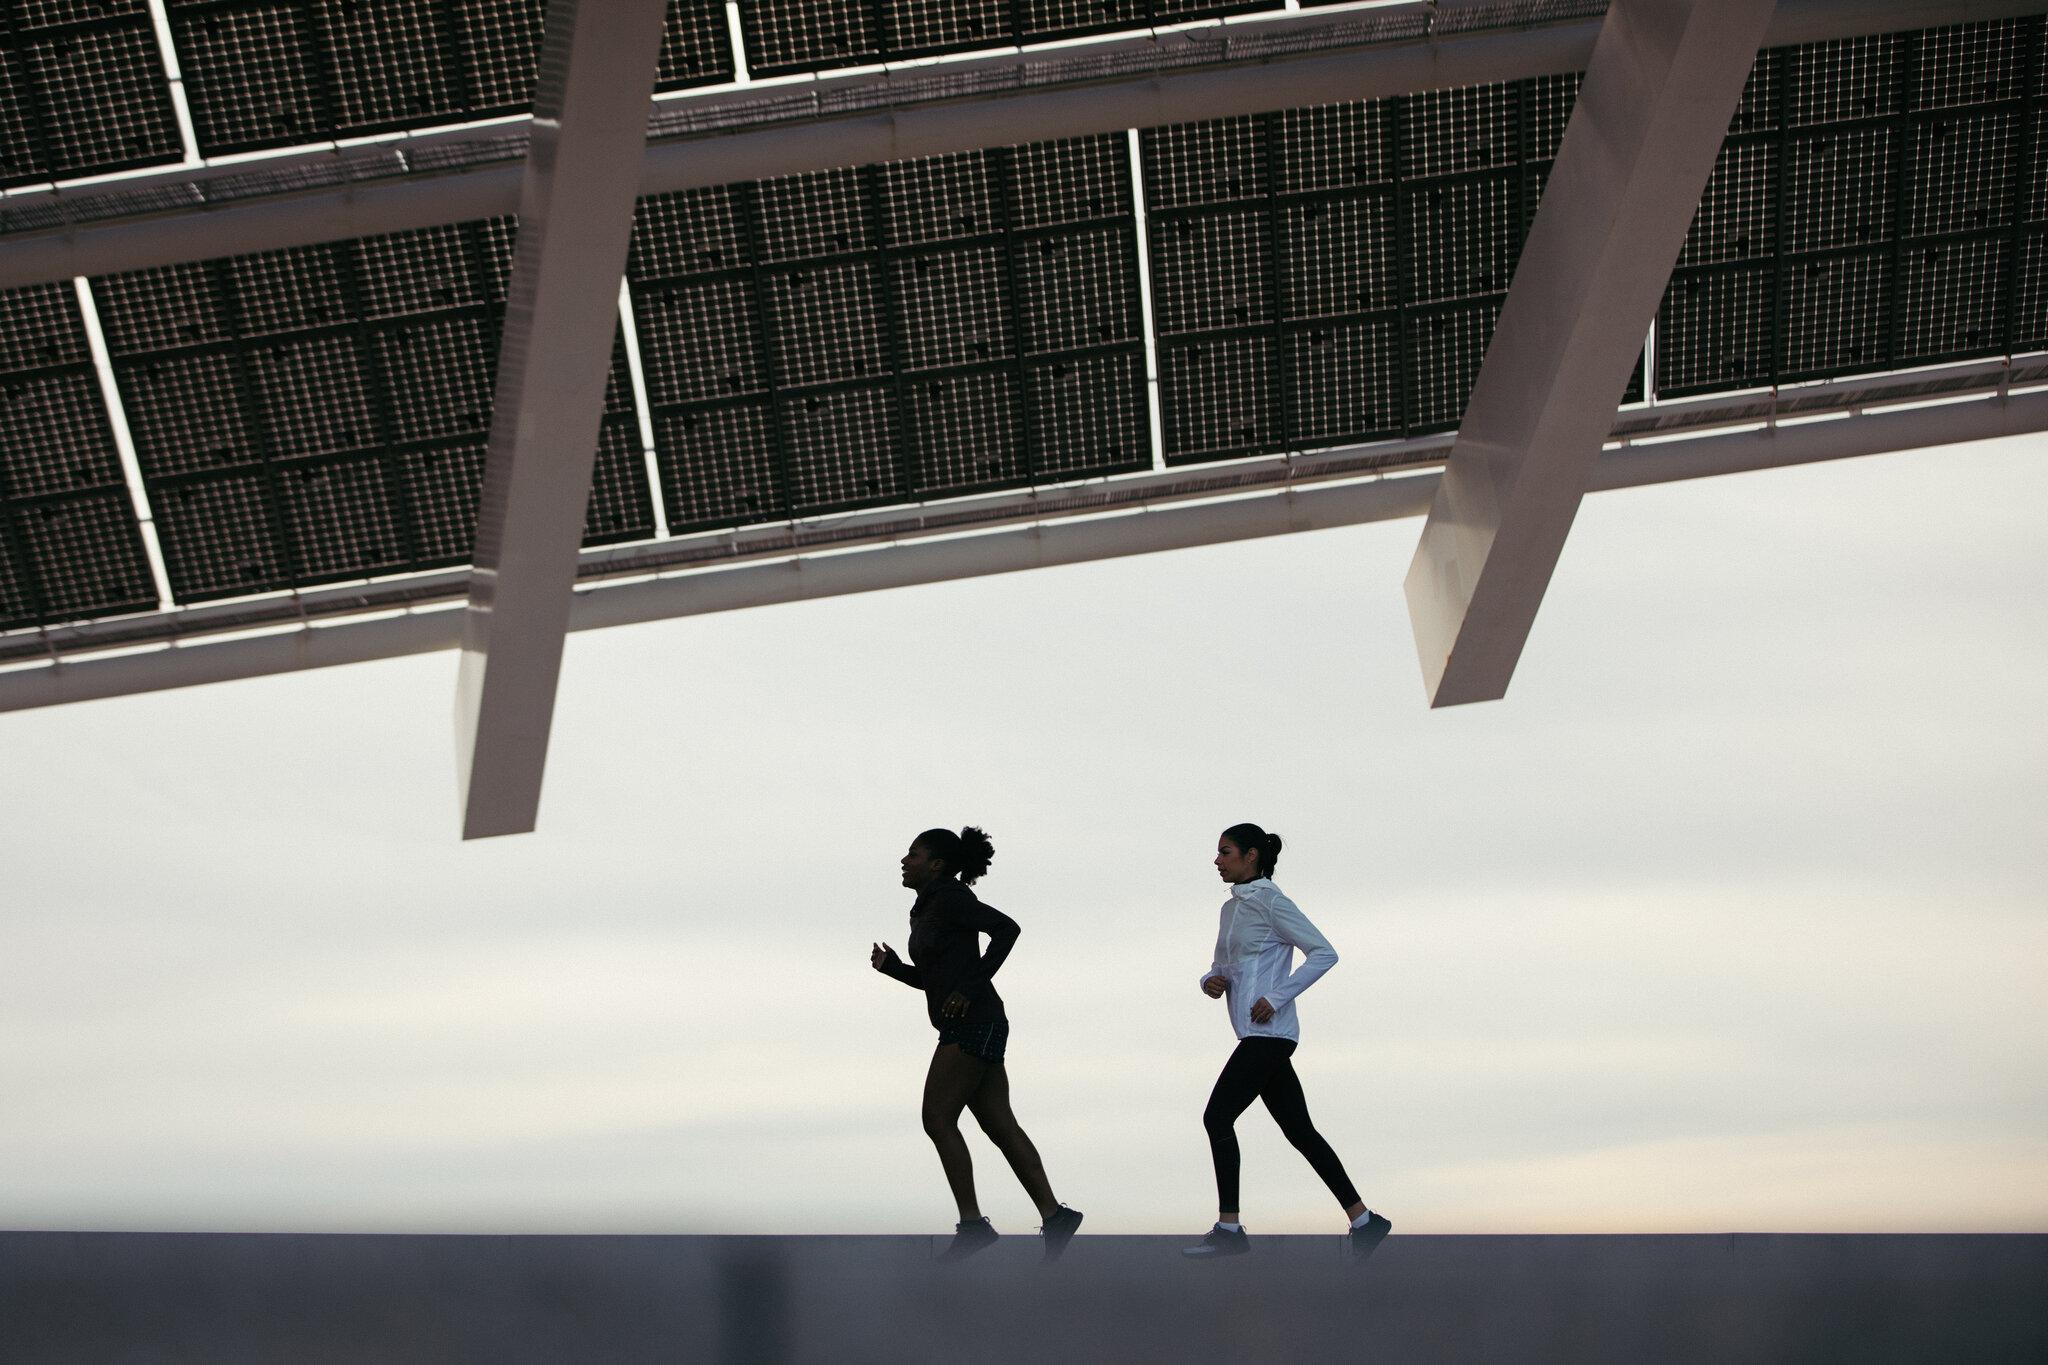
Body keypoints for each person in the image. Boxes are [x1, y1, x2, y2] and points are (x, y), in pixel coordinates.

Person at [871, 825, 1083, 1260]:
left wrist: (970, 987)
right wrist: (893, 967)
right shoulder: (927, 908)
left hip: (975, 1023)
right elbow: (934, 981)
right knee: (998, 1123)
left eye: (913, 854)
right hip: (974, 1023)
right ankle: (1055, 1216)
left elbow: (1007, 929)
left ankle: (973, 1224)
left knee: (937, 1118)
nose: (904, 860)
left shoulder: (950, 896)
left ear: (937, 864)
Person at [1183, 823, 1391, 1263]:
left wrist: (1276, 997)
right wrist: (1211, 980)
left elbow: (1324, 952)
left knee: (1217, 1117)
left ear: (1251, 855)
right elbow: (1222, 963)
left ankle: (1229, 1228)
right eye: (1218, 853)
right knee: (1299, 1131)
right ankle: (1365, 1220)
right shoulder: (1231, 910)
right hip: (1255, 1035)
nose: (1217, 861)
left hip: (1270, 1036)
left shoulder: (1273, 902)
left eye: (1225, 852)